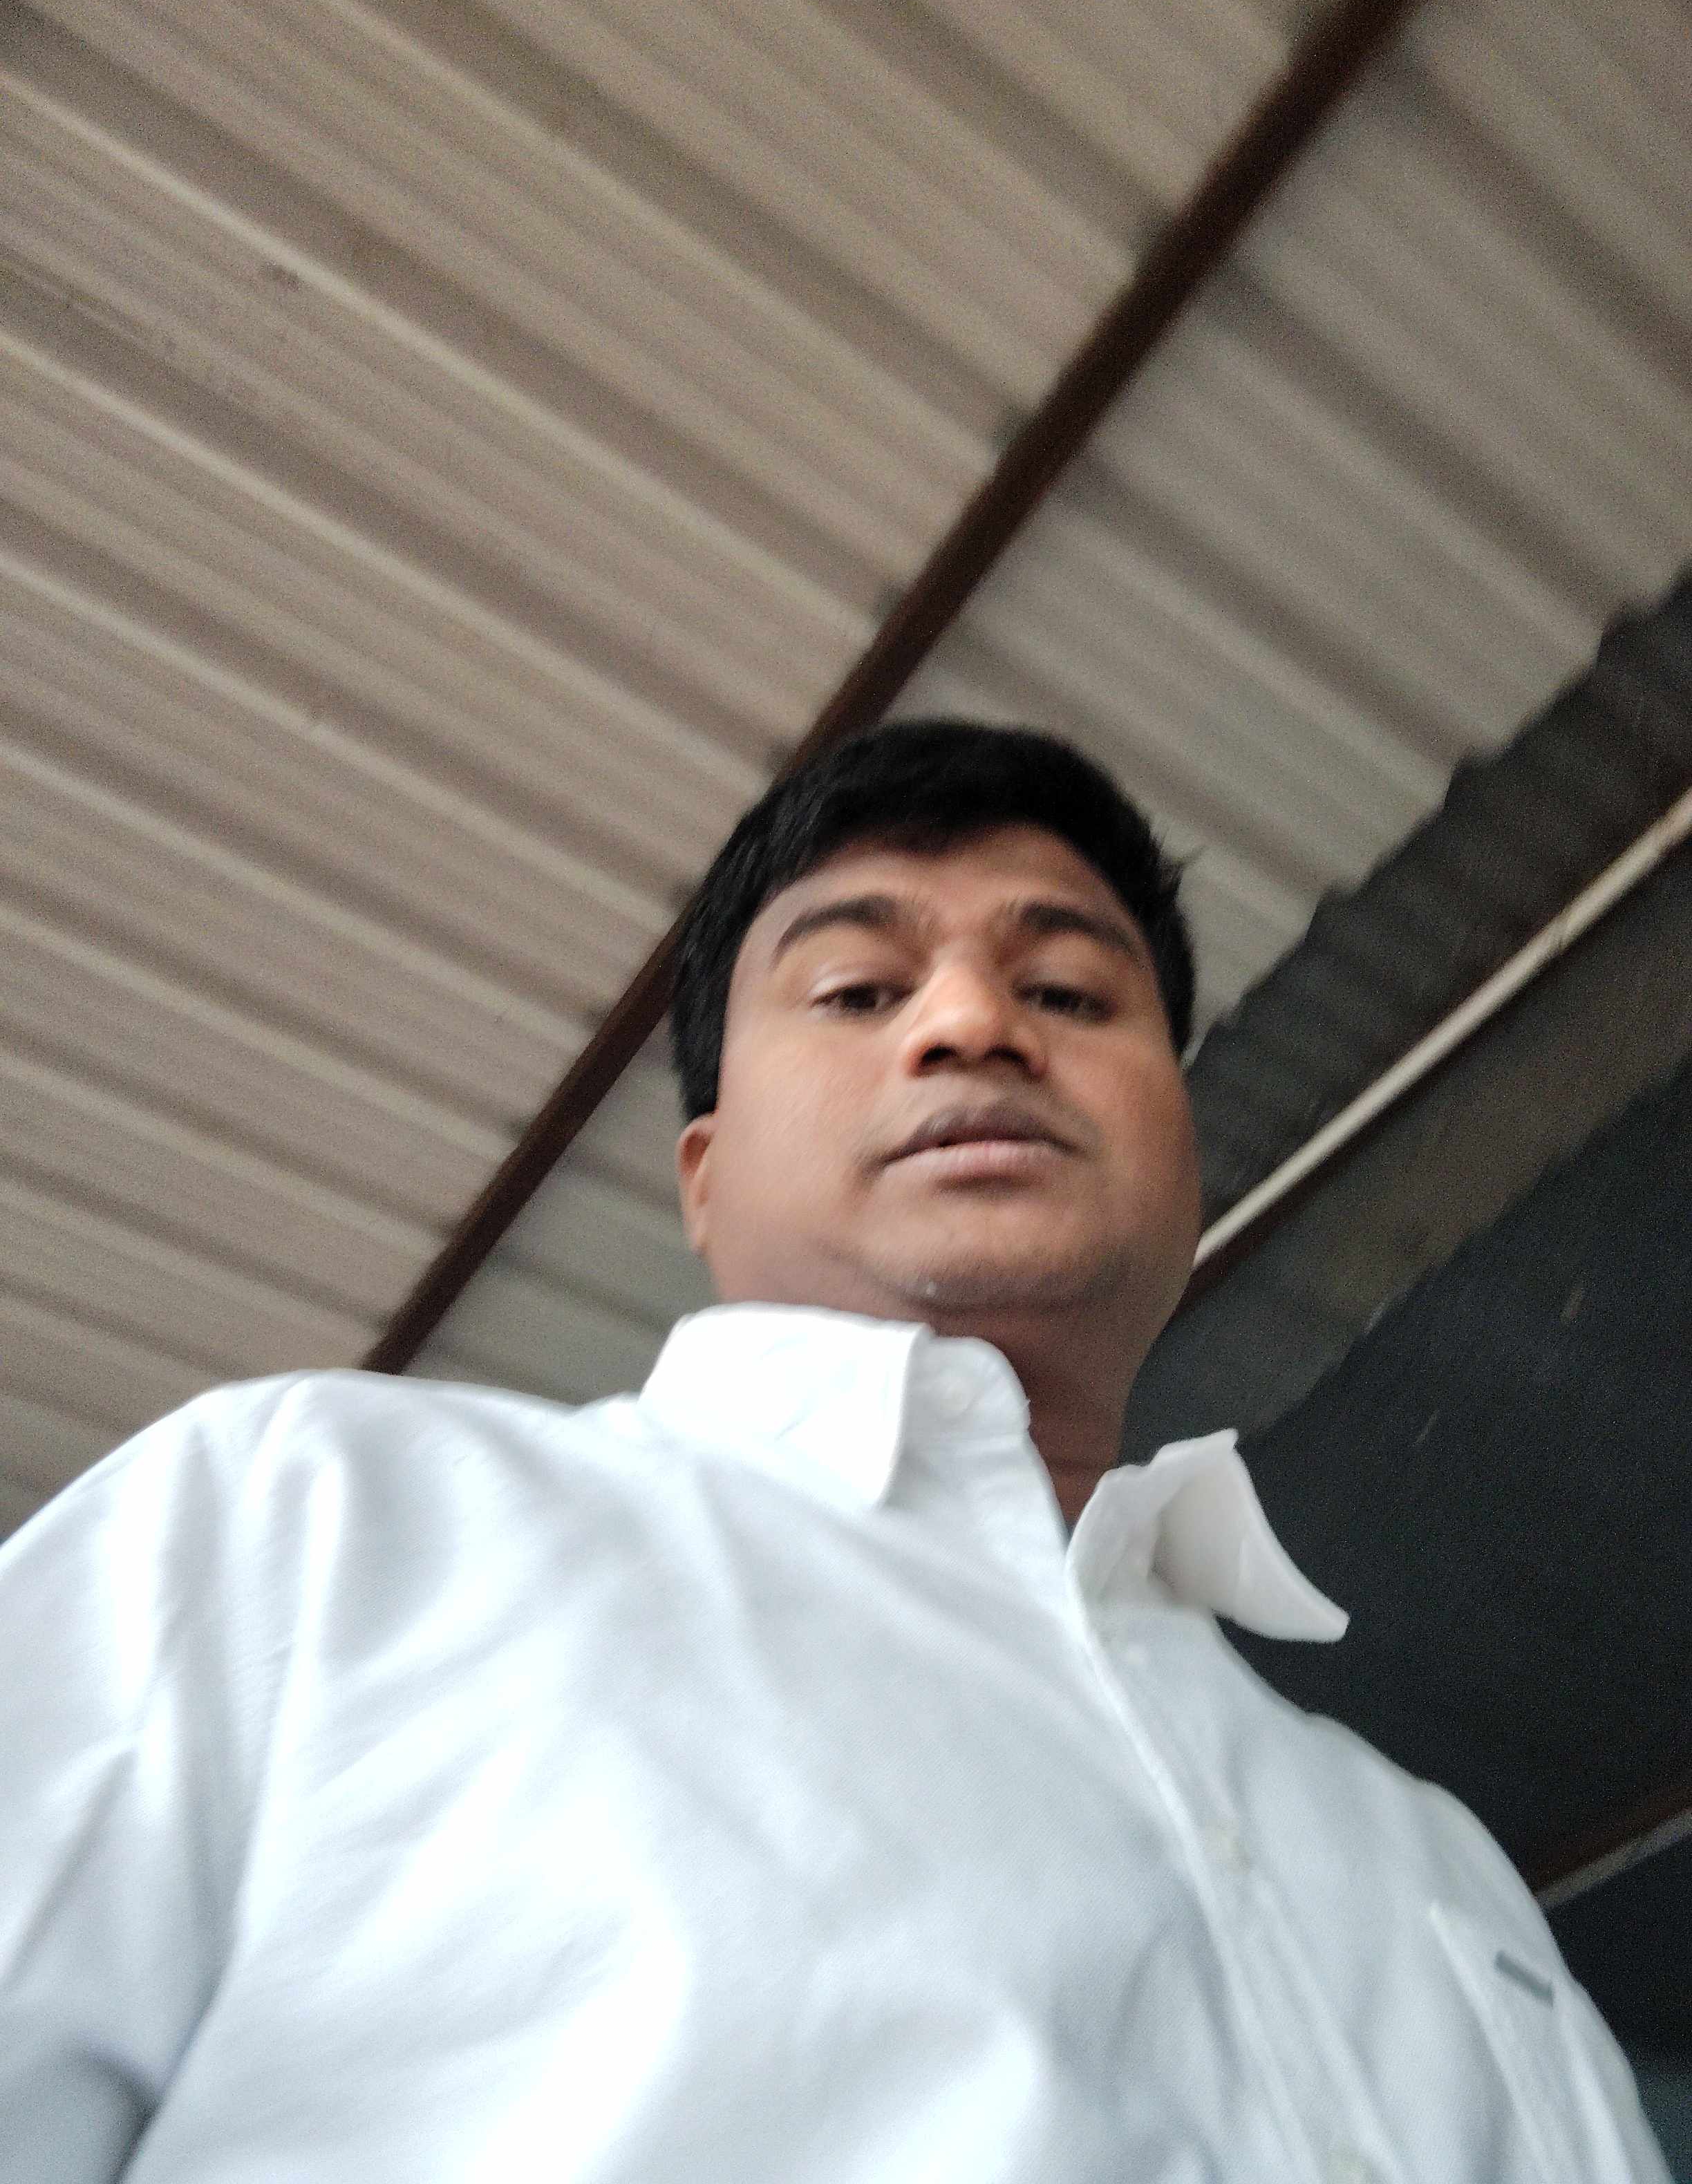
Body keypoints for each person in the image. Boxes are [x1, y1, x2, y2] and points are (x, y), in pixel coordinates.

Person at [0, 721, 1666, 2181]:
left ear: (1181, 1154)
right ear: (705, 1177)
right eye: (861, 989)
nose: (974, 1023)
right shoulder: (307, 1530)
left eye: (1071, 993)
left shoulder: (1430, 1860)